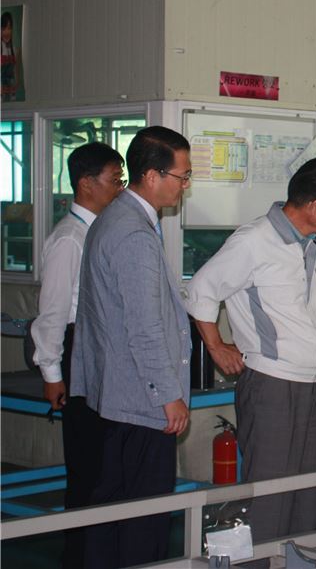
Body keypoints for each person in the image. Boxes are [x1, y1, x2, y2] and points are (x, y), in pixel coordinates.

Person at [187, 158, 316, 545]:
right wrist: (216, 346)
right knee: (269, 494)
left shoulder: (305, 244)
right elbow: (201, 290)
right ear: (315, 205)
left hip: (312, 383)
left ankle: (297, 558)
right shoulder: (254, 240)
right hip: (273, 384)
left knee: (307, 490)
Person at [70, 126, 192, 568]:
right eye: (182, 176)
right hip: (141, 400)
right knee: (143, 516)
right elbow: (144, 327)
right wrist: (168, 395)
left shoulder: (115, 217)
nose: (186, 185)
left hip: (117, 393)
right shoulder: (134, 234)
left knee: (112, 508)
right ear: (153, 175)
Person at [30, 142, 124, 569]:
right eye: (114, 180)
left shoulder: (102, 230)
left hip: (99, 350)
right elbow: (51, 313)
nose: (119, 188)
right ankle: (79, 556)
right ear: (86, 184)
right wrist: (52, 373)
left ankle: (102, 550)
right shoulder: (70, 238)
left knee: (105, 463)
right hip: (75, 350)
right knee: (86, 466)